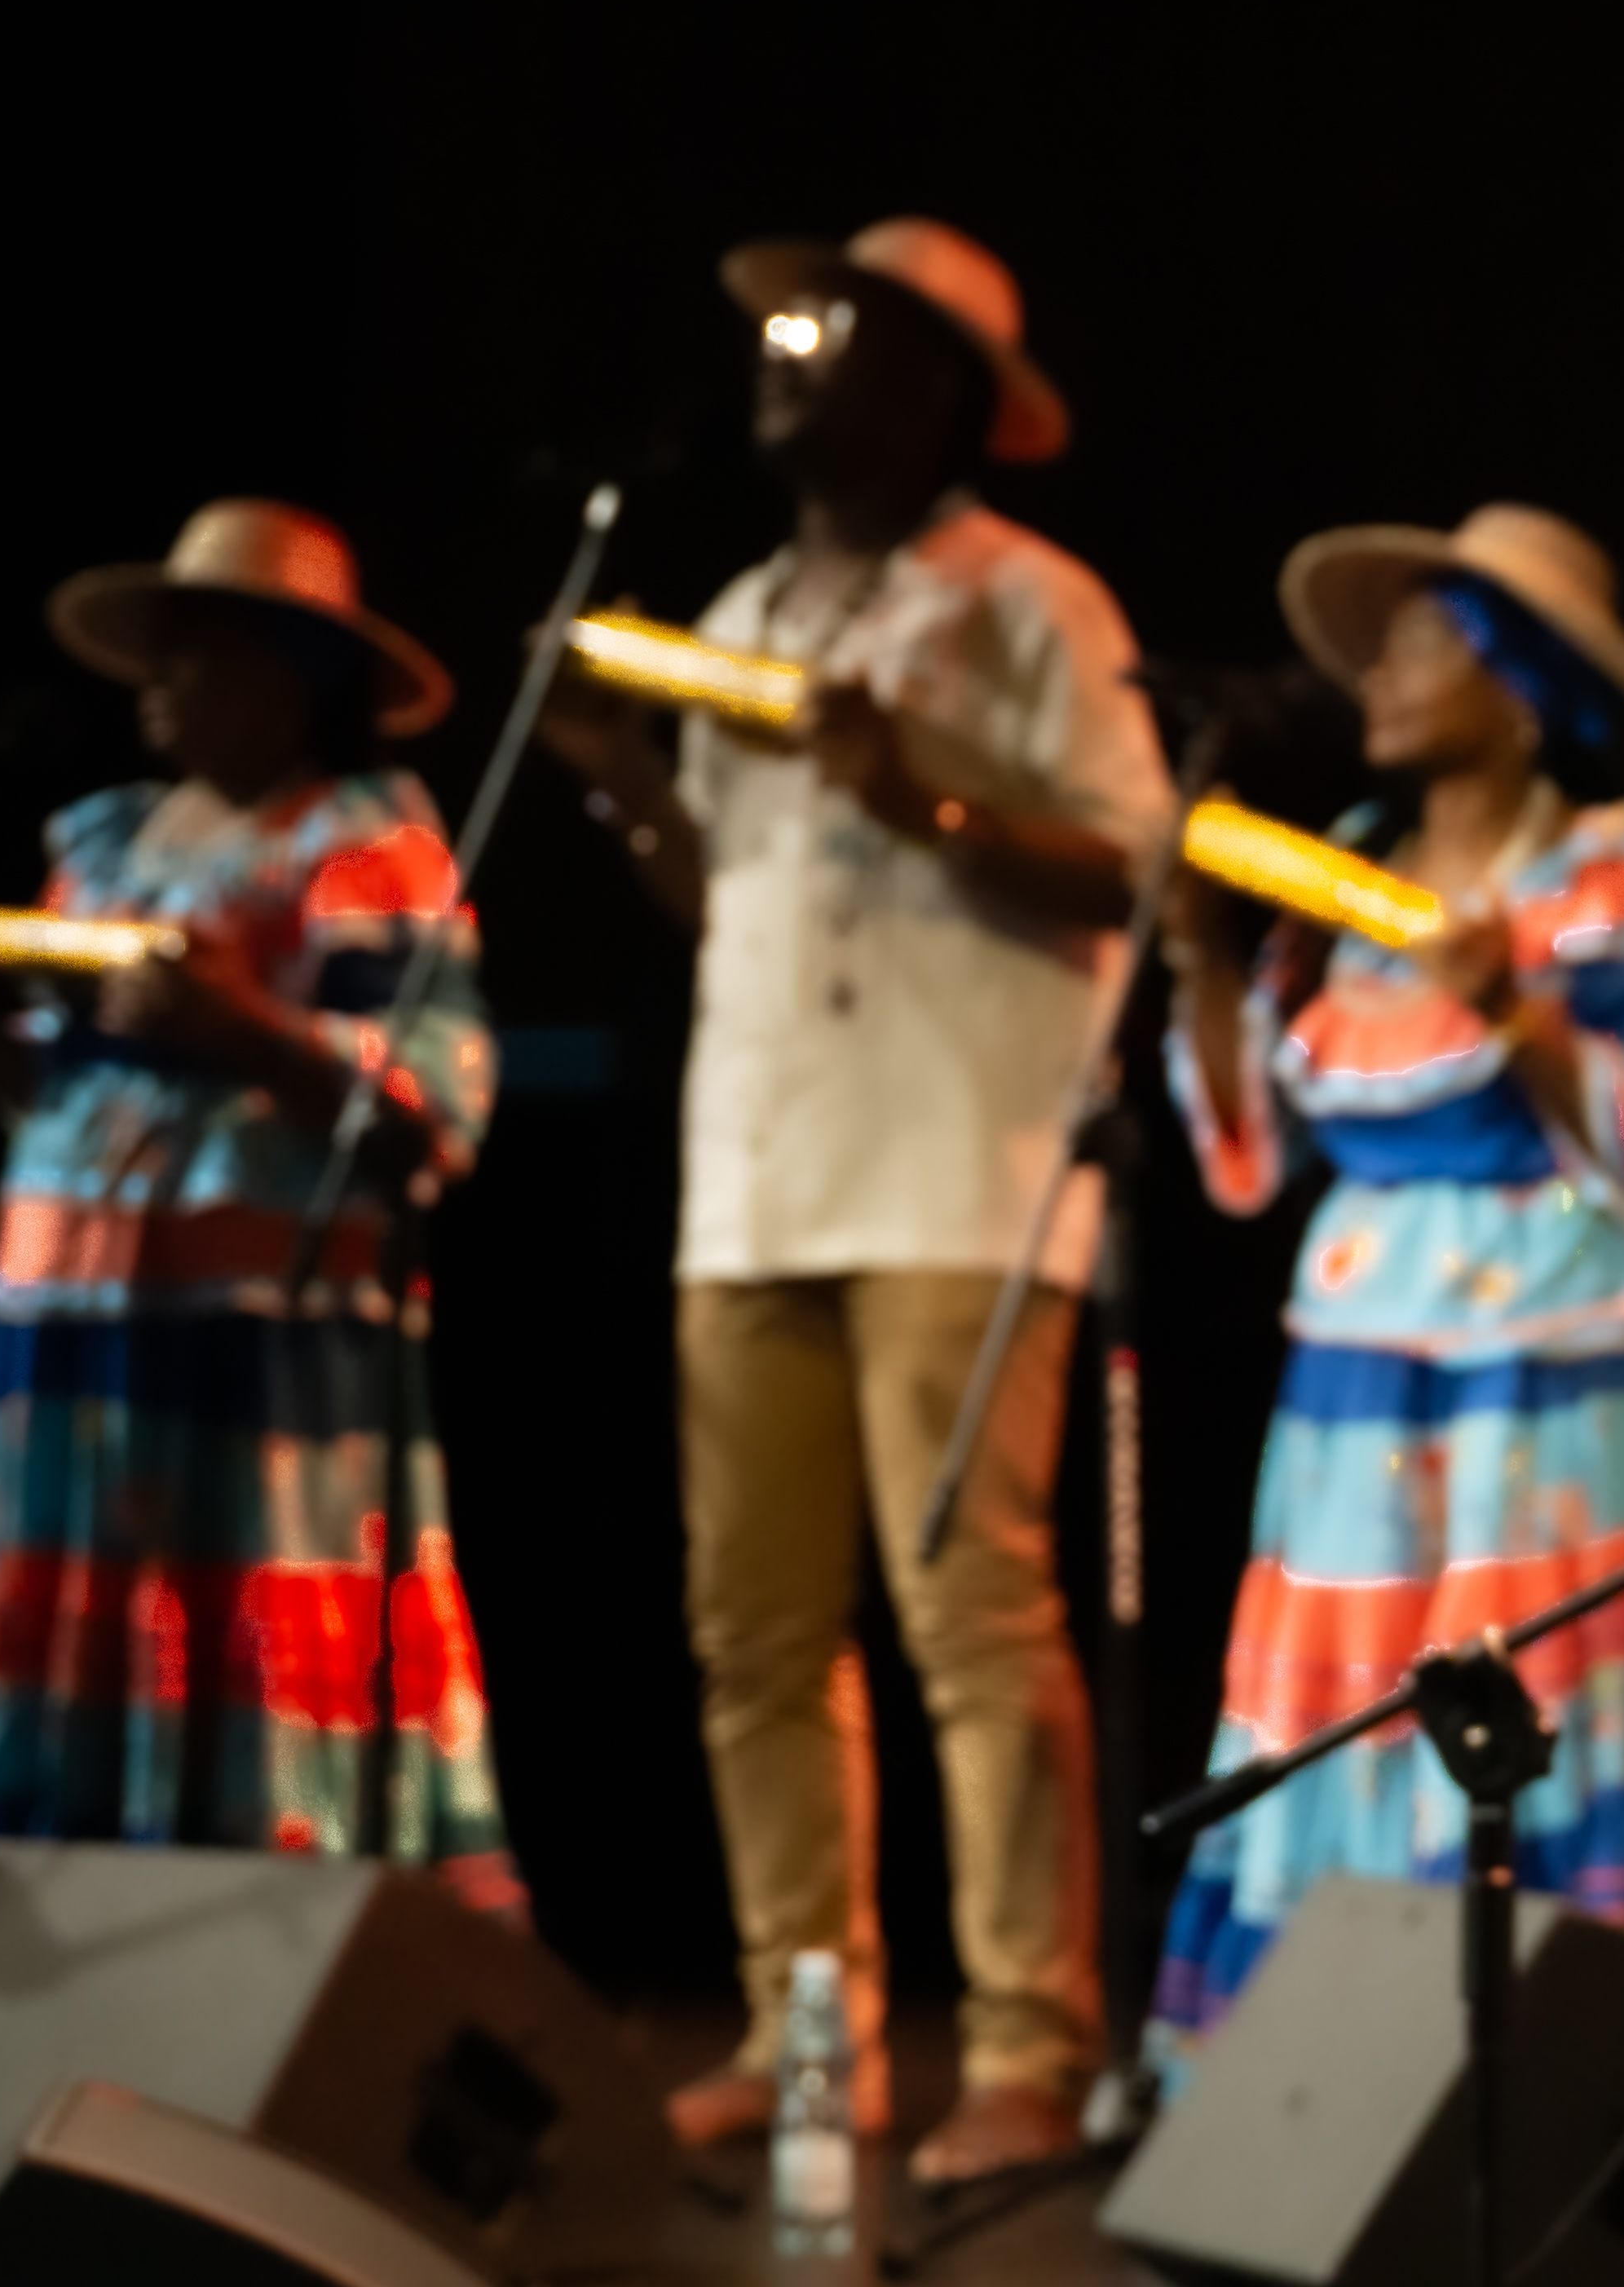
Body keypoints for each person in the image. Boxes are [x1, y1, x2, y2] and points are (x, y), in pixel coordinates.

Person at [537, 217, 1170, 2188]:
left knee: (971, 1613)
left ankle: (1028, 2050)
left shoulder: (1030, 602)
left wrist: (930, 799)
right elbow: (725, 897)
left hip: (955, 1173)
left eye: (836, 337)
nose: (786, 360)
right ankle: (811, 2043)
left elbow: (1137, 868)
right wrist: (624, 776)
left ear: (936, 392)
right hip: (755, 1172)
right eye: (785, 333)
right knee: (754, 1631)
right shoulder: (741, 599)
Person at [1150, 504, 1624, 2055]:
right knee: (1355, 1703)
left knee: (1556, 1710)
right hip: (1362, 1374)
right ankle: (1344, 2069)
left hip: (1570, 1365)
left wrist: (1519, 1016)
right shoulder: (1342, 875)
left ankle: (1588, 2060)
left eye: (1424, 641)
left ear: (1517, 684)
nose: (1382, 673)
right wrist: (1201, 955)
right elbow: (1253, 1148)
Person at [0, 498, 514, 1911]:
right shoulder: (106, 847)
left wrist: (241, 1029)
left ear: (286, 678)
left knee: (247, 1648)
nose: (156, 690)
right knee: (79, 1641)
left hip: (260, 1337)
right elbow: (56, 1103)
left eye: (195, 658)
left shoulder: (366, 847)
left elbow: (433, 1106)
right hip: (76, 1318)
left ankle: (267, 1932)